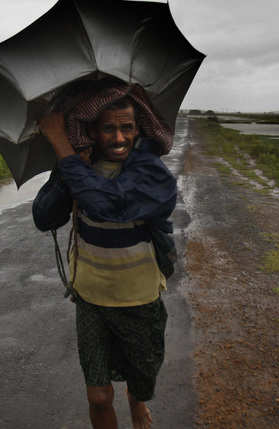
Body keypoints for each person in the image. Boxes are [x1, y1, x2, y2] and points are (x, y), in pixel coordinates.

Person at [33, 96, 177, 429]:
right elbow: (43, 218)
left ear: (139, 128)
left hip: (139, 298)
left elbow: (108, 205)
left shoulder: (152, 173)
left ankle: (136, 401)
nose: (119, 138)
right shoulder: (76, 163)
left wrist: (61, 146)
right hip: (90, 297)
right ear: (92, 132)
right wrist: (69, 166)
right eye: (108, 128)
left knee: (141, 380)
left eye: (127, 128)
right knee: (98, 397)